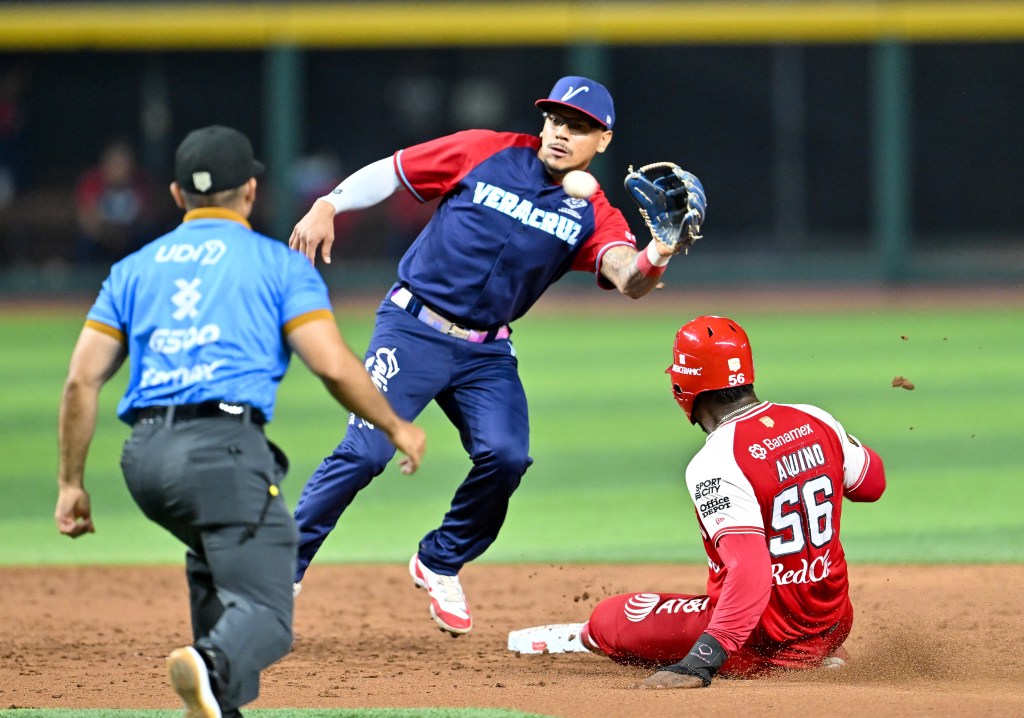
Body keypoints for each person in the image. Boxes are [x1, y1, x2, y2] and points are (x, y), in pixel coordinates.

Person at [288, 76, 696, 636]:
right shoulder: (486, 150)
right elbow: (395, 170)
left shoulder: (594, 213)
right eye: (556, 120)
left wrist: (660, 249)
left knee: (507, 457)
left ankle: (440, 560)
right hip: (413, 328)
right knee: (364, 453)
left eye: (578, 127)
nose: (561, 133)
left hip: (486, 352)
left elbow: (628, 277)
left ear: (603, 140)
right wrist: (328, 203)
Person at [54, 125, 426, 718]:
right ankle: (210, 665)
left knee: (215, 560)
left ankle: (217, 702)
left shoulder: (132, 269)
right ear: (251, 191)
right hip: (221, 452)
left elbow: (81, 381)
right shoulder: (278, 265)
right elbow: (331, 364)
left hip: (144, 460)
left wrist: (71, 483)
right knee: (269, 614)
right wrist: (395, 426)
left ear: (177, 195)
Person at [578, 315, 887, 689]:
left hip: (759, 642)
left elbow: (750, 571)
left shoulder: (717, 460)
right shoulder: (815, 418)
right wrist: (832, 444)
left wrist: (700, 663)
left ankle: (581, 637)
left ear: (682, 385)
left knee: (608, 618)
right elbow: (872, 485)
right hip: (832, 624)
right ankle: (819, 653)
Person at [73, 139, 156, 265]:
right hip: (101, 238)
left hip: (129, 238)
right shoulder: (92, 182)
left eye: (123, 163)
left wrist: (124, 234)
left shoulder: (140, 183)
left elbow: (146, 218)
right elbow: (86, 220)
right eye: (115, 163)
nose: (119, 169)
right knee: (85, 242)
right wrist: (108, 233)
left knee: (147, 237)